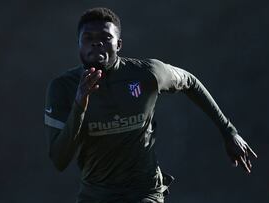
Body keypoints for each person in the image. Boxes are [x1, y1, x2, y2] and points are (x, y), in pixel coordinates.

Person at [44, 7, 257, 203]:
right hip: (96, 196)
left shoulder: (147, 73)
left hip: (144, 193)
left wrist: (228, 131)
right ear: (79, 44)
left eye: (105, 37)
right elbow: (60, 160)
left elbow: (189, 81)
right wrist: (80, 104)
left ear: (118, 44)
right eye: (88, 38)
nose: (96, 43)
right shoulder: (63, 88)